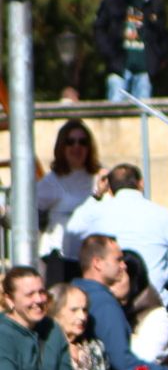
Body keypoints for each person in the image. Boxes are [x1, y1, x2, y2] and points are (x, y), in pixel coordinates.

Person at [74, 235, 168, 370]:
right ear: (97, 263)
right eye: (117, 260)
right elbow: (123, 363)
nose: (124, 265)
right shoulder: (105, 303)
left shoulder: (73, 291)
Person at [63, 164, 168, 307]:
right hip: (155, 299)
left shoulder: (96, 212)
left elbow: (69, 242)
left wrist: (97, 194)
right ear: (141, 183)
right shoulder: (166, 216)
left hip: (110, 298)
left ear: (110, 188)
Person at [93, 0, 168, 101]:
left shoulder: (155, 5)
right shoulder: (113, 0)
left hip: (145, 72)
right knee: (116, 115)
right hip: (119, 70)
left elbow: (164, 35)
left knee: (143, 116)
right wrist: (109, 54)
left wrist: (158, 60)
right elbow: (99, 28)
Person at [37, 120, 101, 281]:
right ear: (62, 147)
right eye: (70, 142)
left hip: (94, 259)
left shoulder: (99, 177)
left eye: (82, 142)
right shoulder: (51, 181)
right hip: (60, 260)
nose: (76, 147)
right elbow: (31, 213)